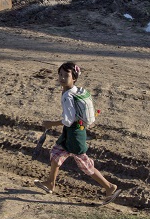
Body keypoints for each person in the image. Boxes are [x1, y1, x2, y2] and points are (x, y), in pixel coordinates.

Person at [34, 62, 120, 203]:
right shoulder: (76, 91)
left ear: (74, 77)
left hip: (74, 133)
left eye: (66, 75)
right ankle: (50, 183)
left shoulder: (68, 95)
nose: (62, 78)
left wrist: (51, 124)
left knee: (84, 164)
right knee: (56, 153)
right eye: (60, 74)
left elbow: (68, 120)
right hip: (75, 130)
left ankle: (109, 186)